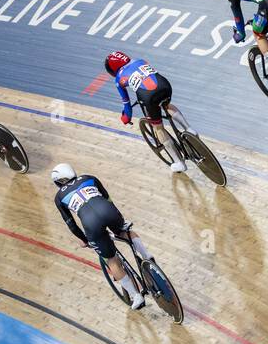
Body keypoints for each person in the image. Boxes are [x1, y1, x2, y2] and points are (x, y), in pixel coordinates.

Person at [50, 163, 154, 310]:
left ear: (58, 182)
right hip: (109, 211)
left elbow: (71, 224)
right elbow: (108, 199)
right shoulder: (89, 178)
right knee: (124, 232)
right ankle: (147, 255)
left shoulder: (59, 197)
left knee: (111, 260)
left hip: (91, 223)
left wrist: (85, 240)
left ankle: (136, 296)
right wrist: (120, 220)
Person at [105, 51, 187, 174]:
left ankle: (179, 163)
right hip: (165, 85)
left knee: (158, 128)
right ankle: (189, 128)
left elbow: (127, 105)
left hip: (149, 96)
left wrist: (126, 118)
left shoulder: (118, 79)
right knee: (166, 104)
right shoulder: (139, 60)